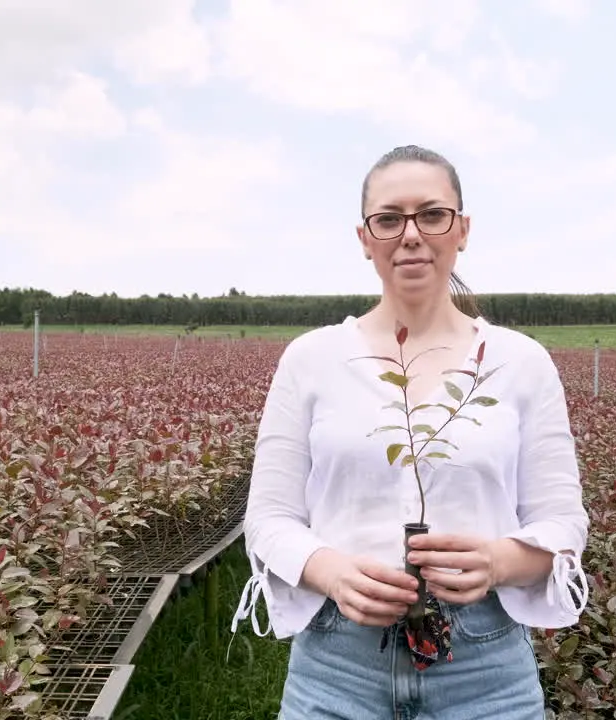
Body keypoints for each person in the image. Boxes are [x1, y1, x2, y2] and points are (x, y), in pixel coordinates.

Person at [230, 144, 589, 719]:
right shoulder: (312, 360)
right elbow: (268, 519)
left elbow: (564, 524)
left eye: (431, 214)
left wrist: (497, 561)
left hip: (485, 671)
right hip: (336, 666)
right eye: (389, 219)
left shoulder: (519, 362)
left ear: (462, 228)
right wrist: (332, 572)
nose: (412, 234)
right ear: (365, 237)